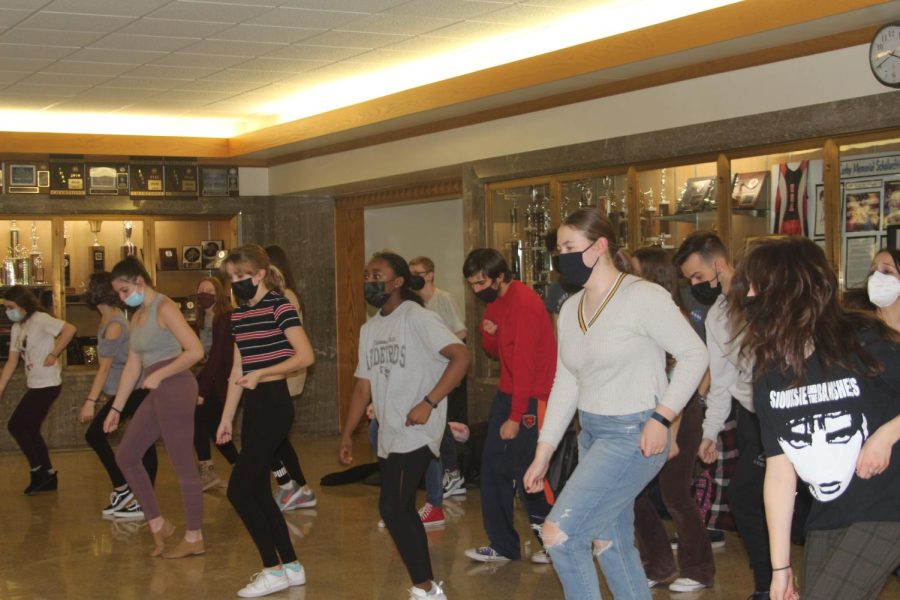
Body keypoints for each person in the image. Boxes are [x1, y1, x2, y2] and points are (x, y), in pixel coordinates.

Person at [523, 209, 708, 600]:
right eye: (559, 249)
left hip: (634, 433)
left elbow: (695, 355)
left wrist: (663, 417)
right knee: (611, 542)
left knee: (560, 535)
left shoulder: (642, 296)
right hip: (592, 434)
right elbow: (567, 380)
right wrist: (544, 451)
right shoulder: (571, 308)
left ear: (600, 245)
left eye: (570, 247)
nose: (563, 256)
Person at [735, 237, 900, 600]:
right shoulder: (770, 371)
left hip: (887, 504)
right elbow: (779, 472)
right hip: (827, 512)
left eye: (756, 284)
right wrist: (779, 569)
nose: (748, 294)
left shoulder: (861, 341)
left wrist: (886, 435)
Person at [339, 252, 469, 600]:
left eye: (377, 274)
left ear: (397, 282)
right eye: (366, 275)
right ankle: (428, 586)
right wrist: (347, 433)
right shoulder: (370, 329)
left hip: (417, 430)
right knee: (402, 508)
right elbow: (362, 386)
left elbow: (461, 357)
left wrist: (429, 403)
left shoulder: (417, 317)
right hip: (389, 432)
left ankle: (426, 588)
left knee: (392, 507)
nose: (369, 280)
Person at [674, 231, 771, 598]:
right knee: (746, 496)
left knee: (758, 495)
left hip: (782, 411)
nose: (695, 286)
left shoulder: (761, 300)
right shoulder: (715, 315)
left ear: (719, 265)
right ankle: (766, 583)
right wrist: (709, 433)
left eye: (698, 277)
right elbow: (723, 379)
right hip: (751, 416)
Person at [216, 244, 315, 598]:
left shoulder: (280, 305)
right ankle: (290, 565)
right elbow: (238, 369)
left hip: (275, 402)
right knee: (257, 489)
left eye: (242, 277)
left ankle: (272, 569)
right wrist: (227, 418)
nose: (237, 284)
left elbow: (304, 356)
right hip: (254, 405)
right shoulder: (240, 315)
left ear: (259, 274)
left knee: (238, 490)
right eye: (231, 279)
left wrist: (264, 372)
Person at [102, 256, 205, 559]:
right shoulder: (136, 317)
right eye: (118, 293)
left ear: (139, 282)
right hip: (157, 387)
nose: (122, 298)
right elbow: (133, 368)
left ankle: (195, 536)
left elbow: (196, 350)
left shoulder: (165, 307)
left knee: (182, 462)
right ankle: (158, 524)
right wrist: (116, 409)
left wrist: (160, 373)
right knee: (126, 455)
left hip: (175, 386)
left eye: (123, 290)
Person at [463, 247, 556, 564]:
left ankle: (556, 544)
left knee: (529, 471)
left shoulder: (525, 304)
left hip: (532, 396)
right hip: (509, 392)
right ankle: (503, 545)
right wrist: (488, 335)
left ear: (499, 277)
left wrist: (516, 417)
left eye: (481, 282)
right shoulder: (496, 302)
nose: (477, 290)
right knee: (492, 469)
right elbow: (495, 350)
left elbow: (526, 365)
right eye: (472, 284)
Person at [630, 247, 716, 592]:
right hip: (655, 413)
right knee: (634, 492)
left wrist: (674, 434)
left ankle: (698, 569)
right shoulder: (645, 313)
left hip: (677, 414)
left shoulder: (673, 315)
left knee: (675, 494)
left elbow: (696, 371)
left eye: (634, 271)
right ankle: (660, 563)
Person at [80, 272, 156, 517]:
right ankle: (136, 494)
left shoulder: (114, 324)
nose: (83, 288)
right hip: (124, 390)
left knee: (96, 435)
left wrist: (90, 402)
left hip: (135, 390)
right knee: (142, 443)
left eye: (87, 286)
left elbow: (104, 367)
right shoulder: (108, 321)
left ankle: (126, 488)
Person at [0, 286, 76, 494]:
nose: (8, 311)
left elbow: (69, 330)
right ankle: (48, 474)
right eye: (6, 307)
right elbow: (12, 361)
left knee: (16, 425)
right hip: (34, 383)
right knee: (30, 429)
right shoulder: (17, 327)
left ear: (23, 305)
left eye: (11, 307)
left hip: (48, 383)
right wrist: (1, 386)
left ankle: (38, 472)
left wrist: (54, 354)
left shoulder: (40, 319)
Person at [409, 255, 467, 523]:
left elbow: (460, 331)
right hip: (426, 372)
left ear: (430, 274)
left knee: (440, 422)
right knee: (436, 423)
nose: (414, 277)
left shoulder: (442, 298)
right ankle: (445, 472)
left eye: (418, 272)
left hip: (445, 369)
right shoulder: (412, 302)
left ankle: (453, 473)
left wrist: (443, 352)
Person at [265, 244, 317, 512]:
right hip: (274, 375)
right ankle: (295, 487)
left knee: (272, 438)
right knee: (276, 438)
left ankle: (296, 487)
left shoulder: (285, 296)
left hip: (285, 374)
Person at [193, 276, 239, 491]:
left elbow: (218, 355)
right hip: (204, 377)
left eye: (209, 290)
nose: (204, 293)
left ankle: (233, 467)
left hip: (220, 382)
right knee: (205, 424)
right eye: (201, 290)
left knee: (213, 426)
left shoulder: (225, 317)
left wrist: (202, 391)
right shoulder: (201, 320)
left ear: (218, 293)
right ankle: (210, 469)